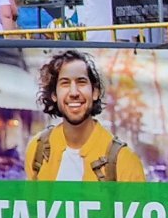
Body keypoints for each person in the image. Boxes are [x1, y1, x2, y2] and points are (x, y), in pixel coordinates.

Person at [24, 50, 145, 182]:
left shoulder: (125, 161)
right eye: (65, 83)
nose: (74, 93)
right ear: (54, 95)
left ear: (95, 92)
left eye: (81, 82)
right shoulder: (37, 149)